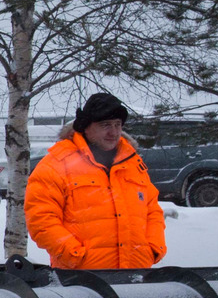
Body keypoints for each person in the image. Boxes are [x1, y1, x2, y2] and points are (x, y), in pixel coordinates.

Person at [24, 91, 167, 270]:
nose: (113, 132)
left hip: (135, 278)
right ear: (85, 126)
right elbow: (41, 220)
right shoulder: (56, 165)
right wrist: (75, 255)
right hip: (81, 283)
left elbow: (153, 212)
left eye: (117, 125)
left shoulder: (133, 164)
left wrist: (153, 248)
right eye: (105, 125)